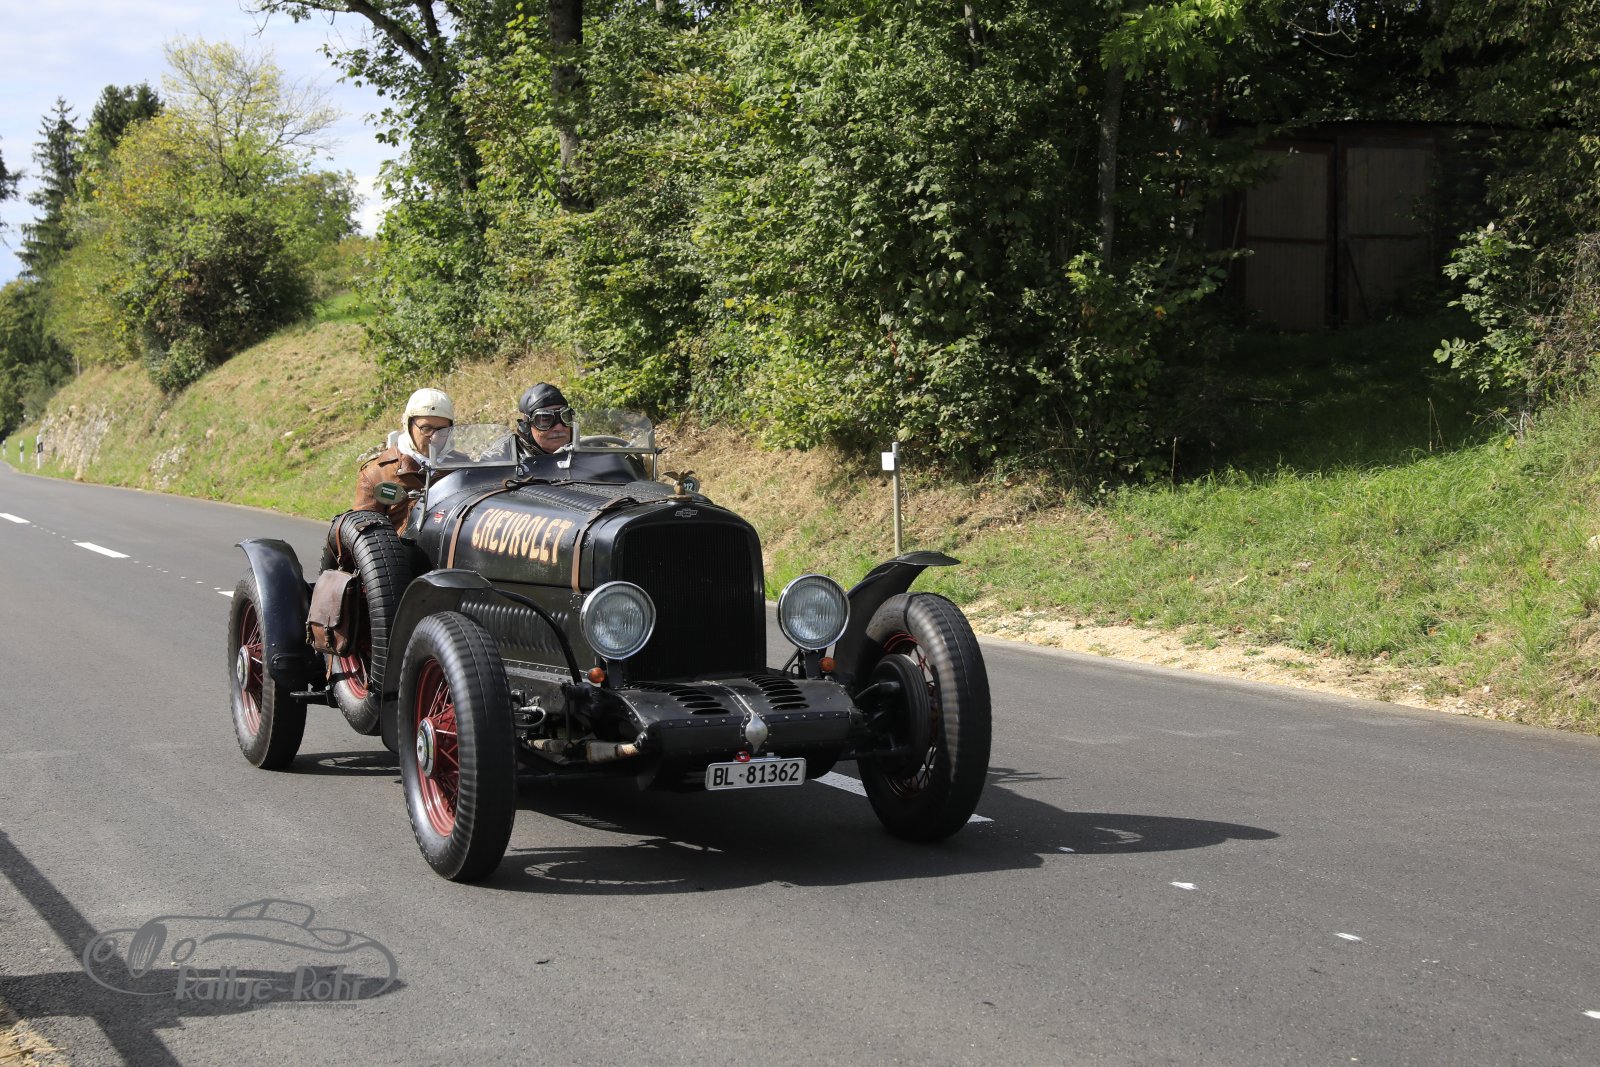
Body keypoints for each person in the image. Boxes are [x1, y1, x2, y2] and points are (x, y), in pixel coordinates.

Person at [353, 387, 454, 532]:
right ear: (408, 425)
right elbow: (365, 537)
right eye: (426, 428)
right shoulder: (377, 474)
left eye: (442, 430)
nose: (434, 436)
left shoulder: (466, 467)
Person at [515, 383, 574, 457]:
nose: (559, 427)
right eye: (546, 420)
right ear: (526, 427)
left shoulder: (586, 452)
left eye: (564, 417)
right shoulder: (510, 460)